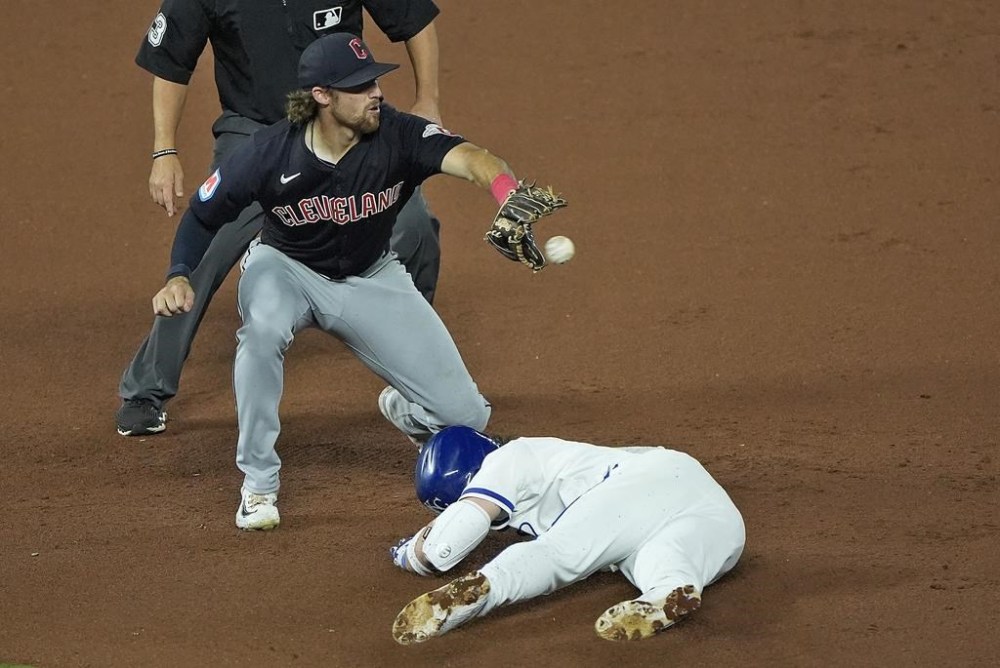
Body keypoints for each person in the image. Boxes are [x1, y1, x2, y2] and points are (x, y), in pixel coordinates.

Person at [149, 34, 567, 530]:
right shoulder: (268, 153)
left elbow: (473, 157)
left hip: (372, 276)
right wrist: (178, 274)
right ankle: (258, 486)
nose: (376, 93)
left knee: (467, 418)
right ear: (322, 96)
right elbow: (201, 215)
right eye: (359, 86)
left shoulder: (398, 134)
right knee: (260, 335)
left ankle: (403, 408)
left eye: (374, 81)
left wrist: (505, 191)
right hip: (285, 268)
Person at [117, 0, 446, 437]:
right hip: (256, 134)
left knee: (416, 225)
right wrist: (164, 149)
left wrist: (427, 100)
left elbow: (413, 19)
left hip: (342, 129)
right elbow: (171, 61)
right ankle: (146, 389)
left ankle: (417, 368)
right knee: (206, 248)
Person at [389, 426, 745, 644]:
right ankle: (668, 591)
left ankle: (483, 591)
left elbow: (443, 548)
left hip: (644, 485)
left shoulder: (509, 457)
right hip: (719, 516)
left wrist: (407, 554)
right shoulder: (547, 460)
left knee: (557, 554)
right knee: (657, 559)